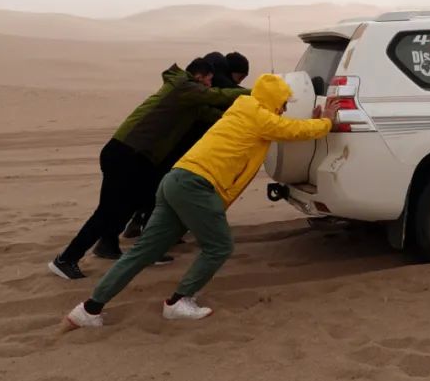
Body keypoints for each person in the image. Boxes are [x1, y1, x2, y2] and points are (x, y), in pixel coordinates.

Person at [63, 73, 337, 327]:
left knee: (142, 252)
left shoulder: (242, 110)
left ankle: (89, 309)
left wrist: (313, 121)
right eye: (283, 103)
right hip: (197, 186)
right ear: (273, 99)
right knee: (219, 246)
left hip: (175, 180)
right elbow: (292, 130)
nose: (284, 109)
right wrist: (326, 121)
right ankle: (178, 301)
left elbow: (287, 127)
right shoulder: (259, 116)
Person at [48, 58, 248, 280]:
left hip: (133, 156)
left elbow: (217, 116)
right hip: (126, 153)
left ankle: (114, 247)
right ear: (199, 76)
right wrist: (256, 92)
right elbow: (218, 96)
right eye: (209, 80)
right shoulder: (182, 87)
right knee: (108, 212)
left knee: (134, 204)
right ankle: (66, 259)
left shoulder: (190, 101)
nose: (210, 85)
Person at [122, 51, 251, 240]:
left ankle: (141, 223)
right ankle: (154, 233)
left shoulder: (205, 81)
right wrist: (257, 93)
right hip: (181, 145)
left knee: (157, 183)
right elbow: (225, 93)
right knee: (166, 185)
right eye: (239, 77)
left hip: (171, 144)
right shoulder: (211, 83)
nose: (237, 83)